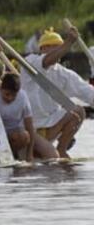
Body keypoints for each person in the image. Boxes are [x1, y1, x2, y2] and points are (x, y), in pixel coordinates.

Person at [21, 27, 90, 159]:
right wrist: (68, 43)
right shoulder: (31, 61)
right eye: (52, 47)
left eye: (59, 47)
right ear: (42, 49)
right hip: (29, 129)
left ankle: (62, 149)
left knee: (78, 111)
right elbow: (47, 60)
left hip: (51, 128)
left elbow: (87, 92)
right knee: (51, 156)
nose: (59, 51)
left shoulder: (65, 74)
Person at [0, 73, 35, 162]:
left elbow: (30, 125)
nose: (10, 98)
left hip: (15, 133)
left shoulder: (23, 96)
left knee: (24, 136)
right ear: (1, 89)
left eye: (13, 95)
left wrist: (29, 154)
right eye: (7, 94)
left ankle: (13, 154)